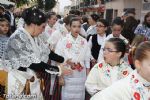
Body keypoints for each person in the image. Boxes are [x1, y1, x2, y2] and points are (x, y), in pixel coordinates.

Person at [1, 7, 67, 100]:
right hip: (18, 81)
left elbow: (47, 53)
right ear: (33, 25)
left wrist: (64, 59)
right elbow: (34, 64)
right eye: (43, 27)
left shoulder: (35, 36)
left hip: (29, 78)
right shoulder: (18, 38)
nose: (43, 30)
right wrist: (58, 70)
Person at [55, 17, 90, 100]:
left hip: (81, 73)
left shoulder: (84, 41)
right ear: (69, 27)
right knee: (67, 96)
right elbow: (58, 59)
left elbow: (87, 59)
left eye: (79, 26)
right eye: (74, 26)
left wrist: (88, 75)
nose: (76, 29)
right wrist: (60, 77)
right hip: (67, 71)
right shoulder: (63, 40)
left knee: (80, 96)